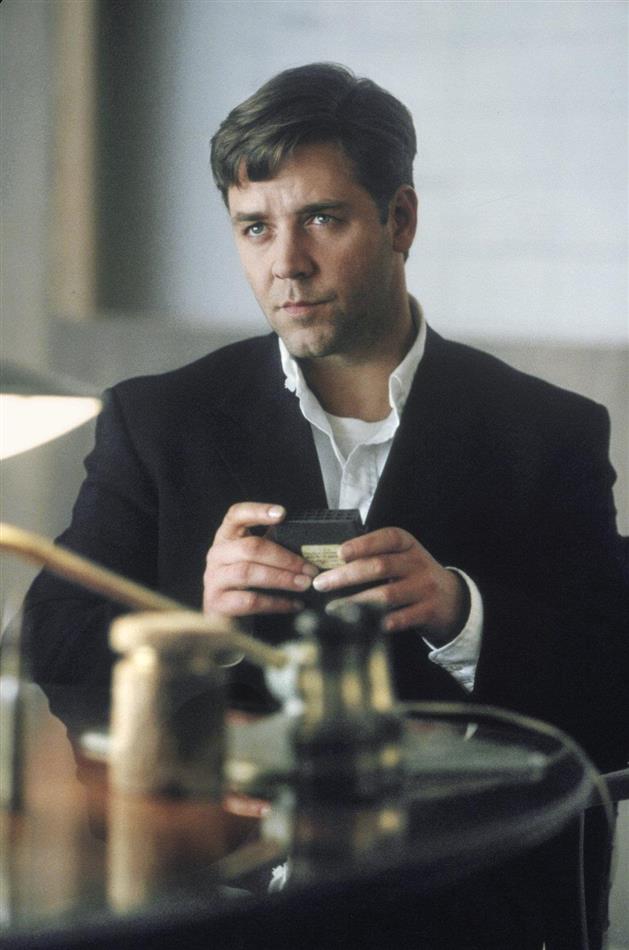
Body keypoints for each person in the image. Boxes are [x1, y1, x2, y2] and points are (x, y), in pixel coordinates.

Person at [23, 64, 628, 948]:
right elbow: (55, 640)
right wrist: (193, 626)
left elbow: (615, 686)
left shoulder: (547, 431)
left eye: (321, 219)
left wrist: (461, 613)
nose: (285, 264)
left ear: (400, 220)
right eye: (254, 228)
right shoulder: (158, 421)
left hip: (459, 910)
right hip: (206, 903)